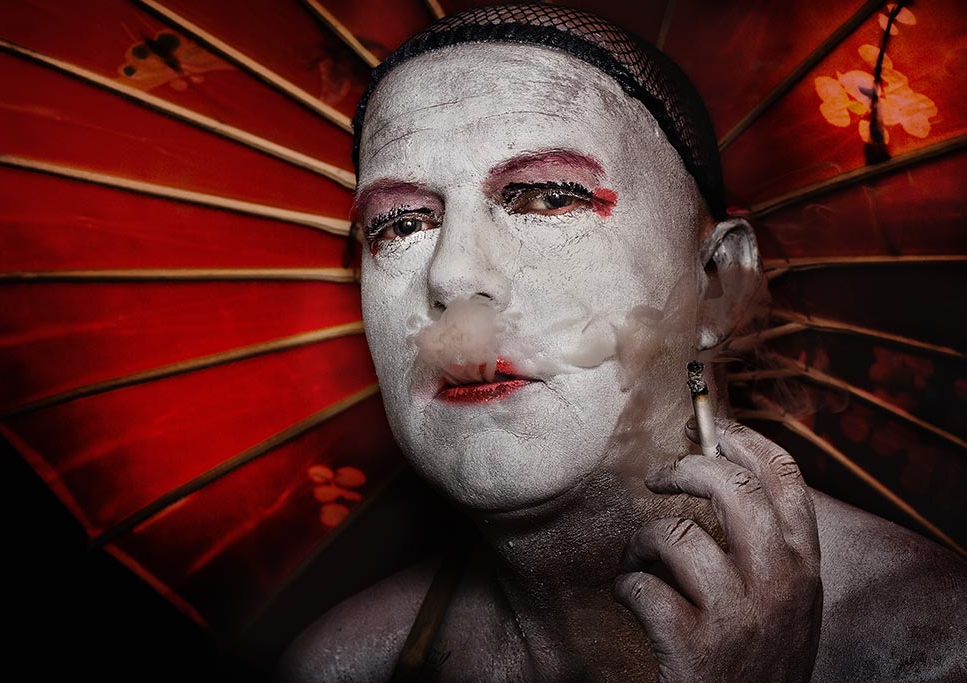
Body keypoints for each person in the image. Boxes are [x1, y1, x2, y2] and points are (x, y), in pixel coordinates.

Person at [279, 5, 966, 681]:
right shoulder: (345, 667)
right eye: (400, 224)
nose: (452, 274)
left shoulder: (934, 649)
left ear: (717, 284)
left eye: (547, 197)